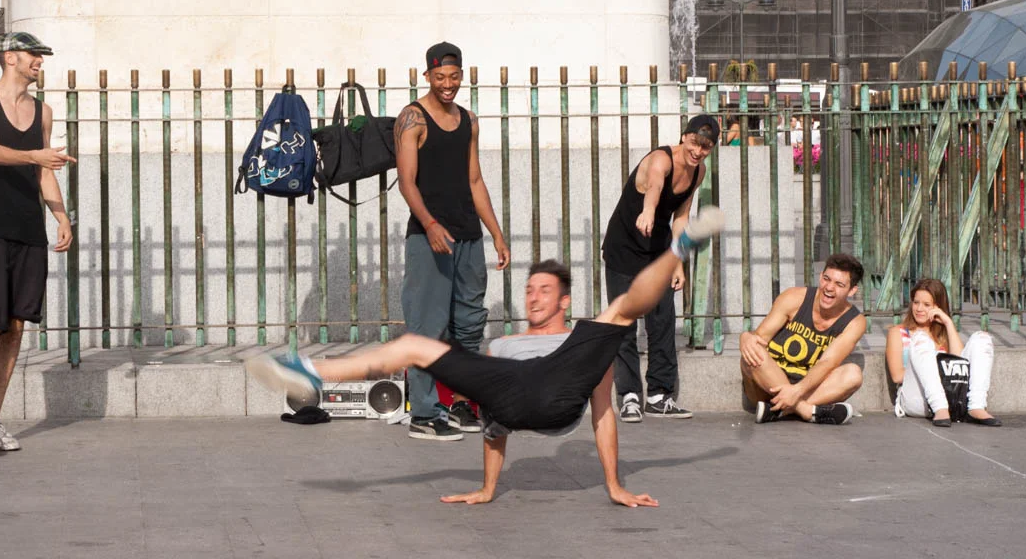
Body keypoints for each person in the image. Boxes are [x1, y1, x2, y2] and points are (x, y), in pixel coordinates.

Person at [249, 209, 723, 506]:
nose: (534, 297)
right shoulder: (504, 346)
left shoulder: (582, 342)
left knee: (619, 310)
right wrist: (488, 488)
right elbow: (495, 423)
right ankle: (309, 372)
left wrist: (615, 485)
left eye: (545, 290)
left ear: (563, 301)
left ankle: (677, 249)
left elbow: (603, 414)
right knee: (415, 345)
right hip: (512, 389)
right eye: (529, 289)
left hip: (560, 392)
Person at [0, 32, 74, 456]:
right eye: (34, 55)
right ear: (10, 58)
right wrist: (37, 157)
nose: (39, 62)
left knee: (15, 326)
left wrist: (61, 217)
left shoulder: (43, 111)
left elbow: (45, 172)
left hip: (29, 229)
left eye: (42, 56)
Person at [393, 42, 511, 440]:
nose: (448, 84)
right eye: (440, 77)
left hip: (468, 237)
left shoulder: (469, 121)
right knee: (427, 326)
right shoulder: (412, 118)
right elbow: (406, 182)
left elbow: (474, 181)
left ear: (463, 75)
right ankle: (425, 415)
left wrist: (496, 234)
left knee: (469, 325)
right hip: (430, 239)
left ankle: (461, 404)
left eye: (454, 77)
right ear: (427, 76)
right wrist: (428, 224)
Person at [600, 113, 716, 422]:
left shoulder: (699, 172)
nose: (698, 151)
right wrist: (648, 211)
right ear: (684, 137)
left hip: (658, 250)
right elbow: (653, 187)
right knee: (623, 322)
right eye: (694, 143)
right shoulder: (661, 159)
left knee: (663, 319)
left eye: (706, 147)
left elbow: (681, 216)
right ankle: (629, 396)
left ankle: (659, 395)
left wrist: (677, 262)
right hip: (624, 246)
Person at [740, 252, 866, 425]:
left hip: (807, 387)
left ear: (852, 291)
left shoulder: (855, 322)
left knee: (853, 374)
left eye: (839, 284)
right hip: (767, 385)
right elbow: (760, 338)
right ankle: (805, 410)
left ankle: (778, 410)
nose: (829, 288)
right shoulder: (794, 297)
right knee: (753, 351)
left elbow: (828, 362)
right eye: (826, 279)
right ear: (820, 276)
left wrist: (797, 391)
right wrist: (745, 337)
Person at [885, 279, 1000, 427]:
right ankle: (940, 408)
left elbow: (960, 364)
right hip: (917, 398)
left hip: (951, 397)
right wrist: (931, 371)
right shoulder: (898, 332)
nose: (919, 308)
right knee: (921, 338)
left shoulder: (944, 334)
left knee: (982, 338)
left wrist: (948, 323)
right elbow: (897, 376)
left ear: (938, 307)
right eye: (916, 302)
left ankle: (976, 407)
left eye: (927, 305)